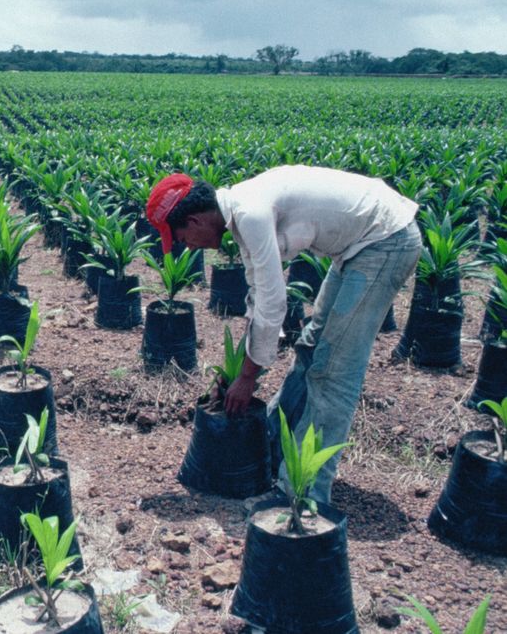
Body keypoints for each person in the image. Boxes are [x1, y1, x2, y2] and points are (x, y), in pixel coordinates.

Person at [146, 165, 421, 505]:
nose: (188, 248)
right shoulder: (242, 215)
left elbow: (274, 305)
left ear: (195, 221)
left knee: (332, 373)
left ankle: (303, 495)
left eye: (183, 239)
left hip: (385, 241)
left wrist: (247, 377)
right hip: (360, 246)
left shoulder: (251, 214)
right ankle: (273, 449)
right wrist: (243, 368)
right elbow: (258, 298)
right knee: (310, 349)